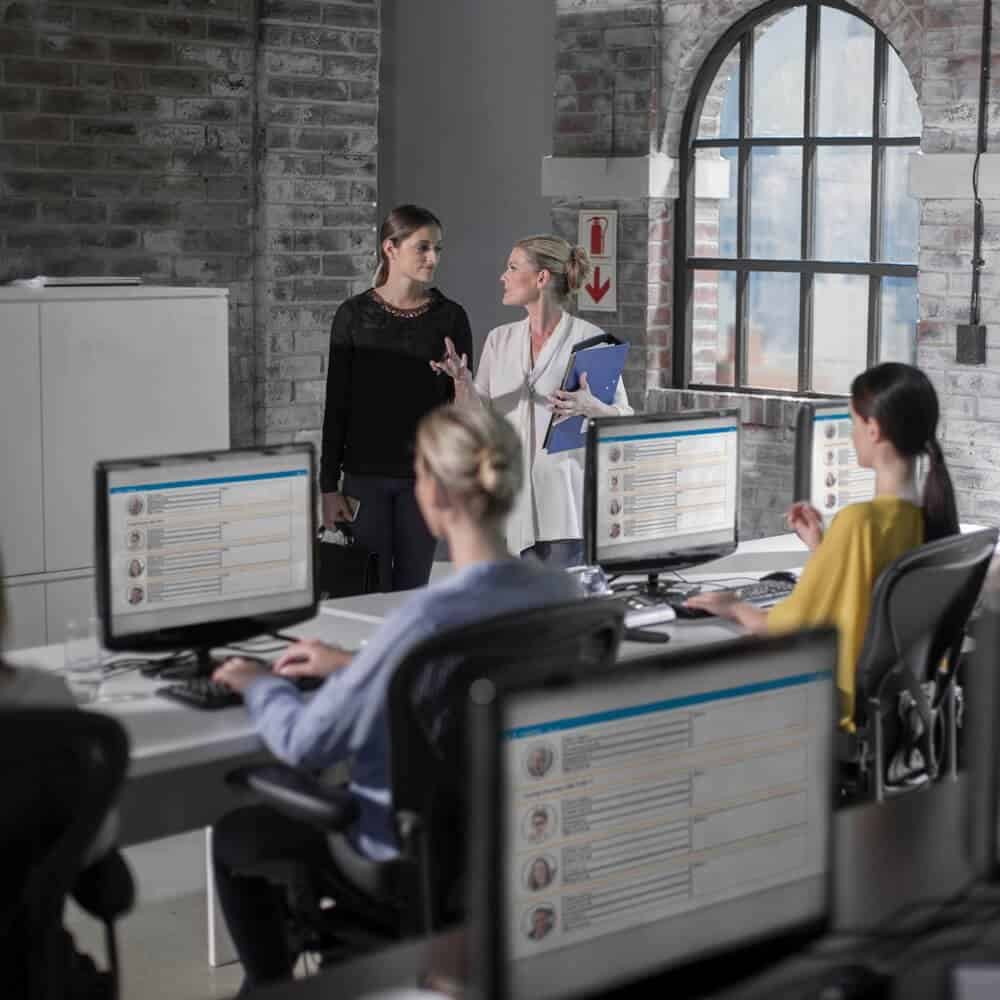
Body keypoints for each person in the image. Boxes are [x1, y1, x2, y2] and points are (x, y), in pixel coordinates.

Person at [211, 403, 581, 990]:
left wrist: (261, 684)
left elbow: (305, 742)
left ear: (433, 494)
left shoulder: (426, 620)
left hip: (411, 863)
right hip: (523, 849)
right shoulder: (565, 596)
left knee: (237, 834)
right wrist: (365, 665)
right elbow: (455, 674)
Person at [686, 363, 959, 729]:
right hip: (896, 719)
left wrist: (734, 606)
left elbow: (786, 625)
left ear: (873, 430)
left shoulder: (859, 523)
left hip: (839, 712)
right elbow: (871, 591)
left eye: (853, 422)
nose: (851, 435)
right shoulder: (930, 519)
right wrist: (823, 547)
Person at [431, 234, 632, 567]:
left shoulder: (592, 341)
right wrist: (461, 380)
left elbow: (624, 422)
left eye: (512, 267)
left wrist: (592, 408)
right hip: (504, 509)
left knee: (559, 613)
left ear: (541, 278)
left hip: (565, 513)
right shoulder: (500, 340)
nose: (503, 276)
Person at [320, 204, 473, 592]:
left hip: (425, 482)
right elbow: (337, 405)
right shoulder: (352, 316)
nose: (432, 258)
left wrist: (461, 382)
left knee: (411, 592)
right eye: (422, 248)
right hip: (363, 481)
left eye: (437, 249)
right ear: (391, 248)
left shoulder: (451, 318)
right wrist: (327, 486)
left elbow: (461, 417)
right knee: (365, 593)